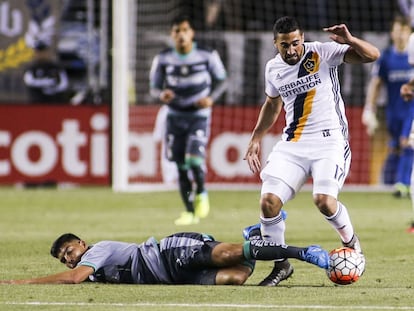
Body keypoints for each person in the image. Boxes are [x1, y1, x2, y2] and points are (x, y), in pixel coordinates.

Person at [244, 16, 380, 286]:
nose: (291, 50)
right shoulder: (273, 69)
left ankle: (352, 244)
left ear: (302, 39)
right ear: (275, 44)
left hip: (329, 141)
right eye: (285, 45)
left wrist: (350, 40)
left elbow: (372, 55)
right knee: (268, 202)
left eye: (295, 43)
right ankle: (281, 265)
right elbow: (272, 104)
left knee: (324, 201)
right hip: (293, 143)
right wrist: (256, 136)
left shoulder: (322, 52)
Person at [0, 229, 329, 285]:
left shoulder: (96, 251)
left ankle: (302, 253)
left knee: (227, 254)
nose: (69, 260)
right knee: (236, 276)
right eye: (64, 259)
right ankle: (252, 237)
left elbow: (75, 277)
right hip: (172, 278)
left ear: (82, 244)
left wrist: (25, 281)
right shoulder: (93, 271)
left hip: (169, 254)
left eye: (70, 252)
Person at [149, 15, 227, 225]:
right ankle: (189, 212)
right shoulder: (163, 58)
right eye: (177, 31)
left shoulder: (207, 55)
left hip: (198, 116)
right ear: (171, 34)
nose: (181, 35)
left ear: (191, 33)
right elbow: (155, 87)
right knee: (181, 165)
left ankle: (201, 191)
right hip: (174, 117)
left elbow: (222, 81)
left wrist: (211, 98)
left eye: (185, 30)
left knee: (193, 159)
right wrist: (161, 95)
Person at [363, 15, 414, 196]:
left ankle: (402, 185)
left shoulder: (412, 55)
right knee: (396, 146)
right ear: (392, 33)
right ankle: (389, 182)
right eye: (397, 31)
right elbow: (376, 84)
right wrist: (370, 108)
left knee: (408, 143)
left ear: (409, 33)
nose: (401, 35)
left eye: (404, 31)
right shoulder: (386, 58)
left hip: (411, 110)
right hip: (393, 111)